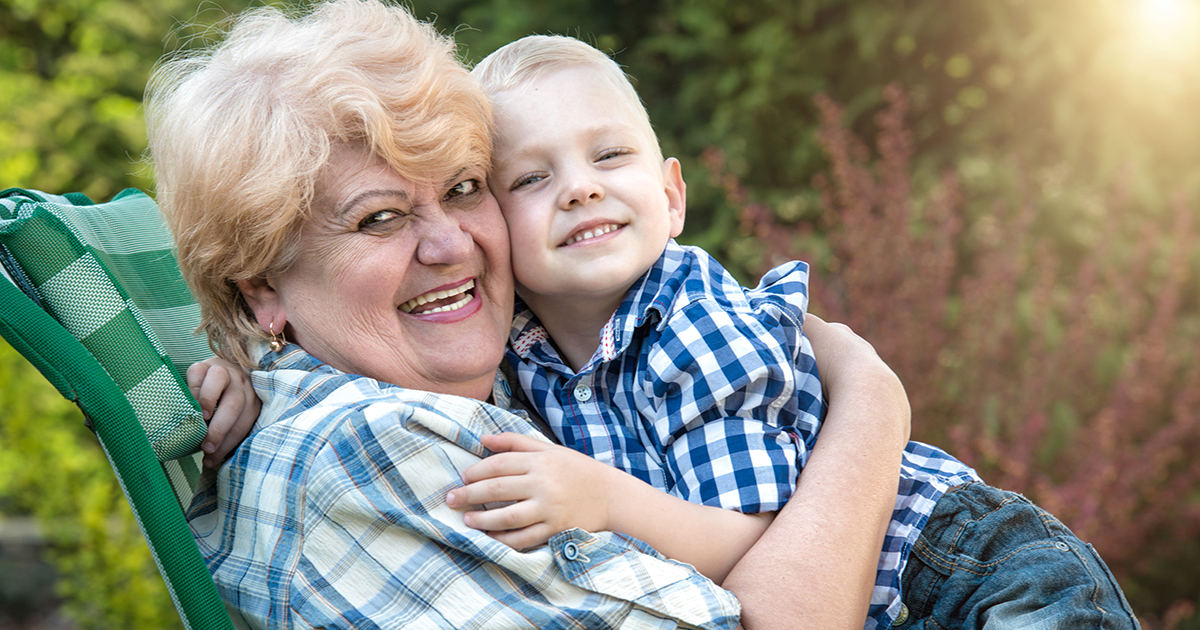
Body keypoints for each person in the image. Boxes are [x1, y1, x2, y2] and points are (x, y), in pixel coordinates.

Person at [148, 0, 913, 628]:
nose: (452, 244)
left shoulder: (508, 370)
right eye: (379, 219)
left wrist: (247, 369)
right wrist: (871, 400)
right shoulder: (373, 454)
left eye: (463, 187)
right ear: (262, 290)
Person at [438, 35, 1141, 630]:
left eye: (611, 155)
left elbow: (760, 540)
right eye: (531, 177)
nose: (580, 187)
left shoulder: (696, 325)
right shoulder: (520, 356)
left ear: (672, 196)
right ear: (492, 230)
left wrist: (600, 500)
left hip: (967, 569)